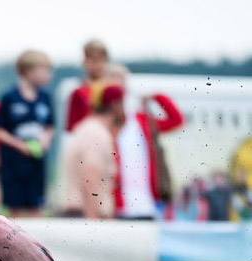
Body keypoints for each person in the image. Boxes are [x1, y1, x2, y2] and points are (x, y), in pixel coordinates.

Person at [108, 65, 183, 220]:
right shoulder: (104, 124)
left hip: (146, 203)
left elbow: (176, 120)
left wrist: (156, 97)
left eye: (120, 78)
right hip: (116, 207)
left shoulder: (141, 120)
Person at [0, 50, 56, 218]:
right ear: (28, 71)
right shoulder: (9, 97)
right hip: (13, 164)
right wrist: (19, 145)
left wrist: (45, 139)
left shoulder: (45, 98)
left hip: (36, 163)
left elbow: (50, 125)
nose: (48, 75)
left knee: (37, 207)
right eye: (44, 70)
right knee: (14, 209)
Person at [59, 84, 124, 219]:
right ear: (115, 104)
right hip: (85, 215)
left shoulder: (88, 129)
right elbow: (90, 176)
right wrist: (92, 222)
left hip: (80, 214)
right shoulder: (96, 133)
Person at [65, 39, 111, 132]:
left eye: (101, 60)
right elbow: (71, 126)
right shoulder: (77, 91)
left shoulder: (113, 90)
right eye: (93, 60)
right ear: (85, 61)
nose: (97, 64)